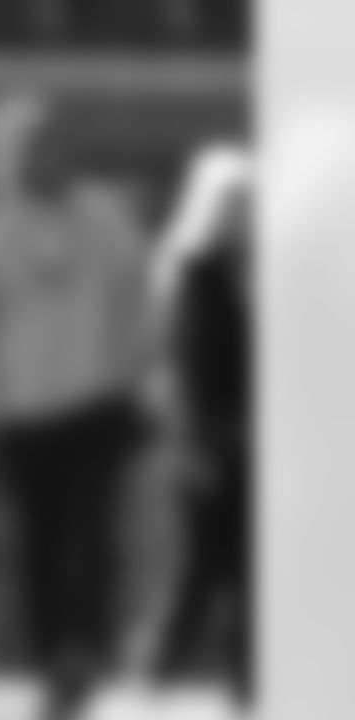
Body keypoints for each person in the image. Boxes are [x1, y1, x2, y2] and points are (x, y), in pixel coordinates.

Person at [0, 94, 152, 720]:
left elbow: (137, 300)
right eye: (32, 147)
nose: (48, 157)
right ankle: (51, 658)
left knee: (92, 536)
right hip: (22, 415)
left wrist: (135, 379)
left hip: (100, 403)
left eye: (55, 143)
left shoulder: (106, 219)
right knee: (41, 542)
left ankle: (86, 651)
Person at [145, 143, 254, 705]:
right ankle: (160, 665)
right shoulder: (192, 272)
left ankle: (246, 677)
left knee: (251, 563)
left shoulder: (262, 273)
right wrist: (193, 440)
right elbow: (186, 365)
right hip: (204, 436)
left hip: (253, 441)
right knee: (203, 561)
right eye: (235, 202)